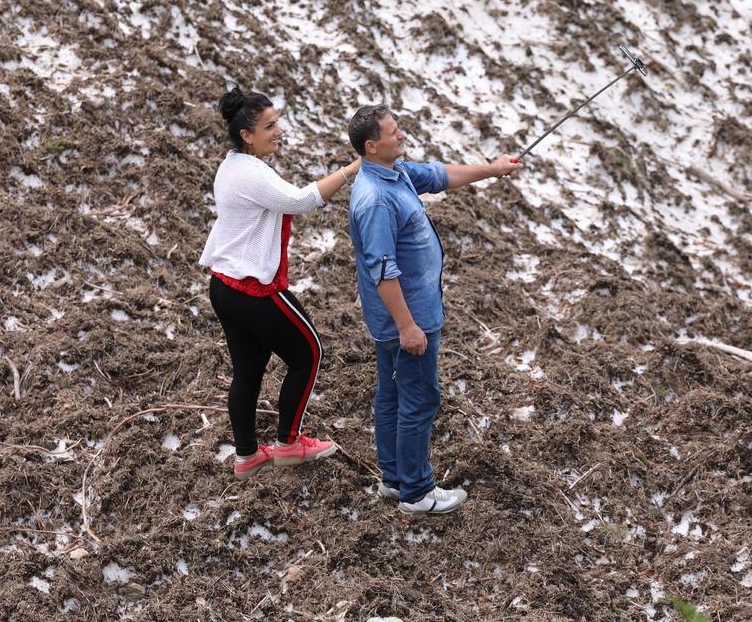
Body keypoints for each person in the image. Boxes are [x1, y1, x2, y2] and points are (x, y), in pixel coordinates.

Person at [346, 105, 521, 514]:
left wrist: (493, 169)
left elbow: (442, 176)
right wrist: (408, 327)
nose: (402, 135)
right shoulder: (375, 200)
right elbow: (383, 270)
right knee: (420, 399)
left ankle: (395, 478)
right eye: (394, 132)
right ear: (372, 146)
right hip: (407, 319)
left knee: (391, 395)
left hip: (400, 317)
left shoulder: (395, 172)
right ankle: (417, 492)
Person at [201, 87, 360, 478]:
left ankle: (247, 456)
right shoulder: (250, 172)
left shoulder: (232, 165)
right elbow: (302, 200)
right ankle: (290, 443)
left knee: (248, 370)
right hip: (252, 289)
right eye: (269, 126)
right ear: (246, 135)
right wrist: (353, 169)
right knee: (309, 354)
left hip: (224, 285)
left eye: (277, 122)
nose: (279, 131)